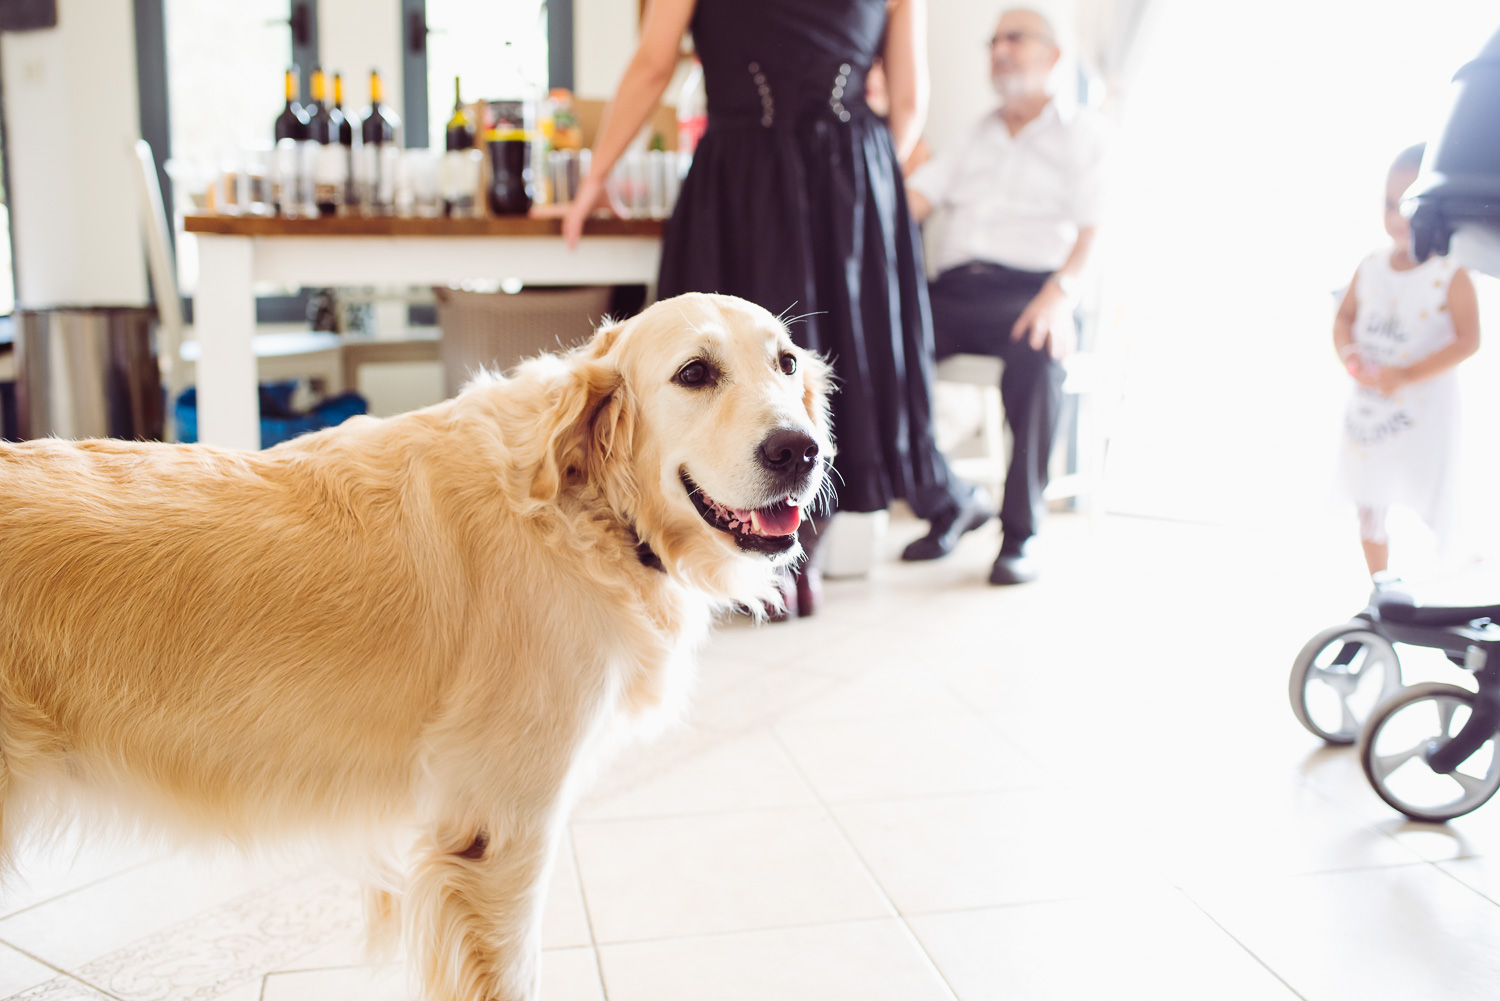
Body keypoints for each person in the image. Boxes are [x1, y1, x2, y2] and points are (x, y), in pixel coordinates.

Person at [562, 0, 992, 616]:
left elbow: (654, 66)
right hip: (851, 175)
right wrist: (858, 176)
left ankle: (760, 568)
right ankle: (798, 565)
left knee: (719, 360)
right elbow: (907, 107)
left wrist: (593, 178)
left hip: (746, 178)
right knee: (824, 355)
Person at [904, 7, 1106, 585]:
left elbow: (1097, 231)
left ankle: (1021, 532)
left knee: (1040, 354)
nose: (1000, 51)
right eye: (994, 41)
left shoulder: (1086, 135)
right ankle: (947, 498)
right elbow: (910, 203)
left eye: (1015, 39)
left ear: (1055, 56)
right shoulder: (976, 135)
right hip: (954, 291)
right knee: (880, 342)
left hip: (1035, 291)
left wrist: (1059, 296)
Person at [1335, 143, 1481, 578]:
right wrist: (1349, 354)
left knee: (1429, 496)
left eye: (1409, 204)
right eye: (1388, 204)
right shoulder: (1371, 265)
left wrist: (1407, 375)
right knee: (1369, 497)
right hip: (1370, 413)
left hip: (1421, 413)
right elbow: (1343, 319)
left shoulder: (1450, 274)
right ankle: (1380, 584)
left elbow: (1468, 340)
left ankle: (1459, 575)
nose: (1397, 217)